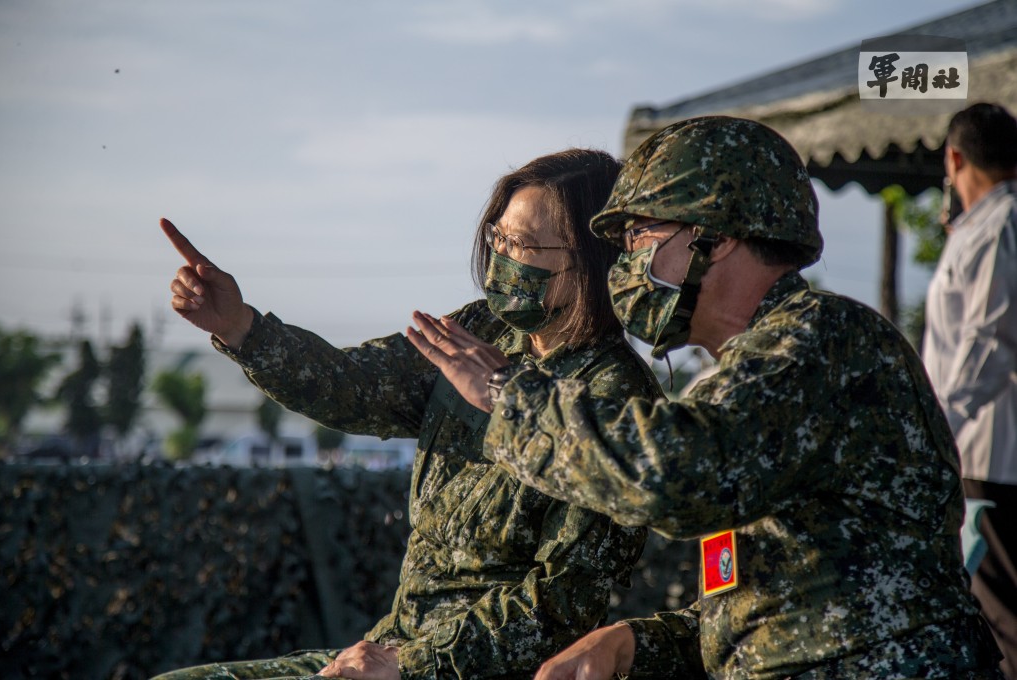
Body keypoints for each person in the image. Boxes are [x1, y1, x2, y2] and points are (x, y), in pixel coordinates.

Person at [408, 116, 1005, 678]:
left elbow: (673, 475)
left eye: (639, 234)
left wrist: (506, 393)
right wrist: (632, 644)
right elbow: (762, 615)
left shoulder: (821, 339)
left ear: (712, 239)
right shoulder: (749, 377)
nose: (624, 263)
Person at [154, 149, 662, 680]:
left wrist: (411, 664)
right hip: (388, 649)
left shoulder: (615, 397)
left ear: (592, 257)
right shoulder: (478, 334)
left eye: (526, 245)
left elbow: (560, 605)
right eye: (499, 239)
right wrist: (241, 328)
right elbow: (353, 387)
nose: (504, 257)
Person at [924, 102, 1017, 679]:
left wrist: (933, 432)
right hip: (981, 448)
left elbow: (989, 343)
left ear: (954, 159)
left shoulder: (1002, 220)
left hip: (988, 454)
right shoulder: (988, 222)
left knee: (1002, 626)